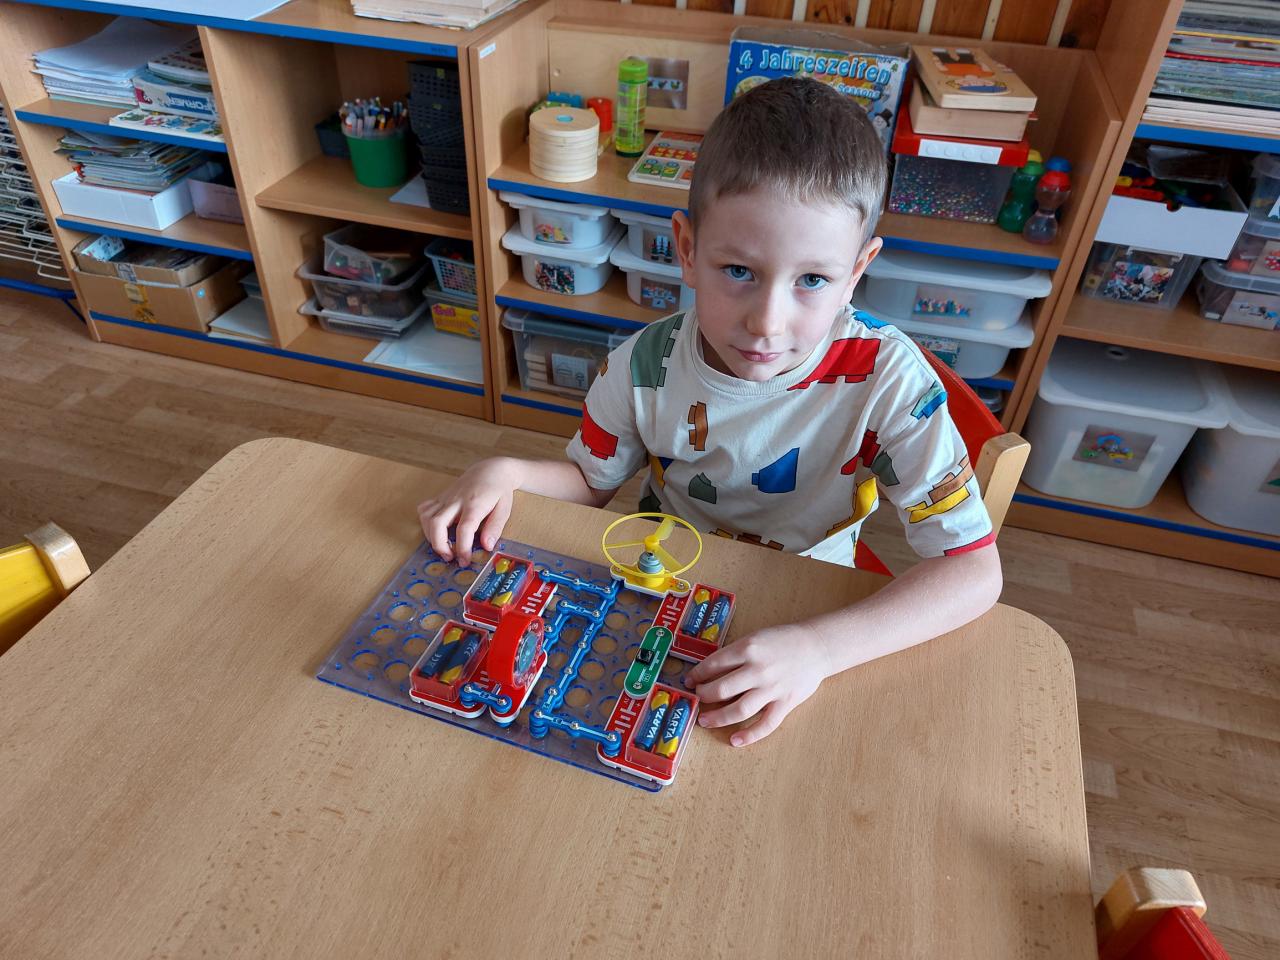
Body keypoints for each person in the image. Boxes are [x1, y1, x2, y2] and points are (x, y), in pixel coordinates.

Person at [418, 77, 1003, 747]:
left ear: (856, 271)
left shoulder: (889, 381)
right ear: (688, 250)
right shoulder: (640, 367)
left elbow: (973, 572)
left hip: (806, 617)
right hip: (658, 591)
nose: (767, 323)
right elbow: (588, 483)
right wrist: (509, 472)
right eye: (739, 271)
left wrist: (819, 649)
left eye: (812, 280)